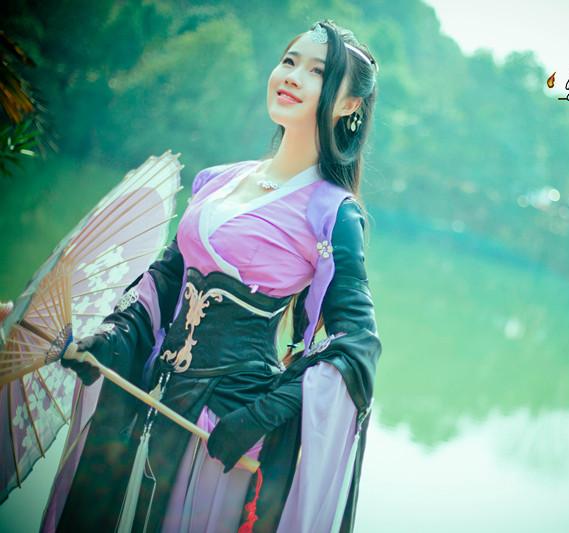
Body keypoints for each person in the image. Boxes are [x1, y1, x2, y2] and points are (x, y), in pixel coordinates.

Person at [43, 19, 382, 533]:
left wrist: (262, 414)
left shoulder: (333, 213)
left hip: (222, 432)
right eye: (289, 61)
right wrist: (112, 339)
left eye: (317, 71)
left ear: (348, 105)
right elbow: (166, 280)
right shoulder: (218, 180)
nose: (292, 76)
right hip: (145, 399)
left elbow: (355, 346)